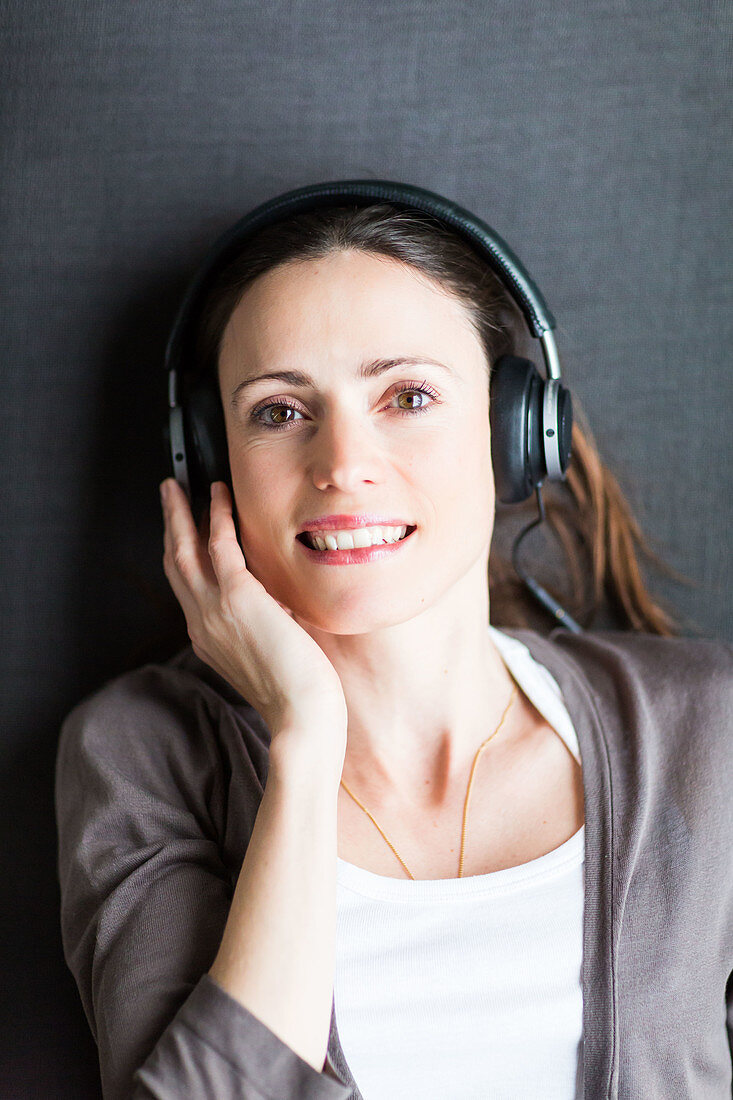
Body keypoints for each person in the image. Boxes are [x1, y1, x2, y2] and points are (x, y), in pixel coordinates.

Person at [55, 186, 733, 1100]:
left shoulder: (703, 727)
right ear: (209, 463)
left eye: (407, 395)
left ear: (515, 432)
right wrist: (303, 739)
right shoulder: (140, 751)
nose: (340, 463)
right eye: (279, 412)